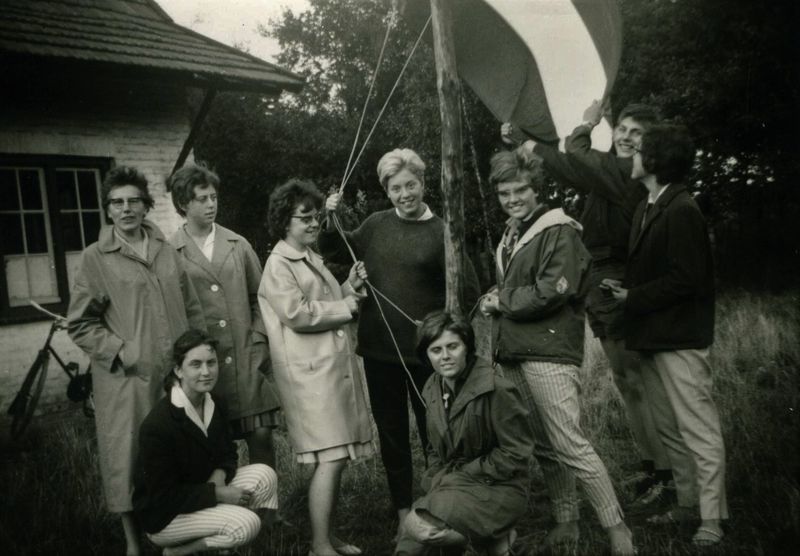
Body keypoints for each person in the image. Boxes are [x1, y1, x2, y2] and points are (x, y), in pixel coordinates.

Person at [502, 102, 674, 505]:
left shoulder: (623, 173)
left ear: (650, 144)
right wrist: (526, 143)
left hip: (616, 275)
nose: (625, 137)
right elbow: (568, 166)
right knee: (627, 381)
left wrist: (584, 124)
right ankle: (654, 468)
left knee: (636, 380)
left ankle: (667, 476)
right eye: (623, 129)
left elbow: (572, 158)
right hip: (600, 278)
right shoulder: (612, 172)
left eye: (636, 133)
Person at [480, 147, 635, 555]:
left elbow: (553, 291)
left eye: (520, 190)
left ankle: (617, 527)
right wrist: (497, 295)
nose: (512, 199)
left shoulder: (559, 229)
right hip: (515, 350)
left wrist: (501, 301)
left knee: (568, 442)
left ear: (536, 188)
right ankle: (567, 520)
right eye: (504, 194)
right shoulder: (514, 232)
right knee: (545, 445)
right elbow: (522, 285)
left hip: (549, 352)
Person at [319, 148, 480, 537]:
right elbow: (335, 249)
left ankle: (438, 506)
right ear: (386, 191)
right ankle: (403, 512)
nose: (405, 194)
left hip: (427, 358)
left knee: (434, 434)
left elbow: (470, 291)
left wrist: (443, 332)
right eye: (396, 188)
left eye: (411, 185)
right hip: (379, 353)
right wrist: (329, 216)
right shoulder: (376, 224)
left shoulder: (443, 231)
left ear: (423, 183)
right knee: (392, 436)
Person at [68, 166, 205, 556]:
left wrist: (196, 355)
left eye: (133, 201)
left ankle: (177, 536)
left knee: (178, 452)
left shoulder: (166, 251)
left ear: (146, 206)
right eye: (117, 202)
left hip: (175, 375)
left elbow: (191, 306)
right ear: (108, 209)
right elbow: (79, 323)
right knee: (127, 459)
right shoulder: (96, 258)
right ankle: (133, 544)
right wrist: (120, 351)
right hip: (126, 380)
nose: (126, 209)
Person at [604, 125, 728, 546]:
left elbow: (688, 279)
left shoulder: (682, 208)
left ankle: (713, 518)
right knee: (671, 428)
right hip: (654, 335)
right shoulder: (648, 205)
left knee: (698, 428)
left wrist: (632, 297)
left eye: (639, 149)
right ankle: (689, 503)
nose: (632, 155)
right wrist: (627, 290)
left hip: (680, 338)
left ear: (655, 160)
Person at [258, 179, 373, 556]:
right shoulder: (279, 264)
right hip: (308, 379)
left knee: (334, 458)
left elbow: (327, 300)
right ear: (284, 222)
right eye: (304, 218)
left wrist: (348, 287)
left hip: (325, 372)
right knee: (331, 457)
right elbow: (297, 313)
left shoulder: (308, 256)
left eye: (315, 217)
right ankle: (320, 545)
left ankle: (328, 536)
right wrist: (345, 306)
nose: (313, 224)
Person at [168, 164, 280, 467]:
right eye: (202, 199)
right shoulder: (170, 252)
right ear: (183, 204)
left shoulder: (238, 244)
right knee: (212, 451)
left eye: (214, 197)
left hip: (246, 358)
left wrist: (259, 340)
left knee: (261, 437)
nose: (211, 205)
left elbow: (262, 298)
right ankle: (228, 499)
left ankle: (267, 499)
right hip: (202, 365)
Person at [394, 311, 533, 556]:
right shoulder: (432, 387)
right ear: (426, 355)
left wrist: (462, 475)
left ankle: (483, 540)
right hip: (450, 485)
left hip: (498, 487)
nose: (445, 356)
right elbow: (433, 448)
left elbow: (516, 454)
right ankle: (492, 541)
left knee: (424, 527)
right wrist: (436, 478)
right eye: (436, 350)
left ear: (467, 347)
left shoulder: (497, 389)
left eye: (453, 346)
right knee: (411, 537)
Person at [133, 329, 278, 556]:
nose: (206, 372)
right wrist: (217, 494)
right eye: (196, 364)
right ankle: (179, 551)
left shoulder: (216, 403)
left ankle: (223, 539)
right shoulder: (159, 424)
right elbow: (163, 497)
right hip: (166, 516)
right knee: (247, 524)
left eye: (211, 362)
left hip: (202, 493)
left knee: (265, 475)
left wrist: (221, 473)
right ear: (178, 370)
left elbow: (228, 453)